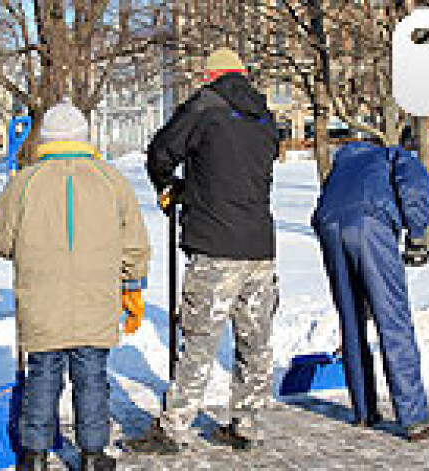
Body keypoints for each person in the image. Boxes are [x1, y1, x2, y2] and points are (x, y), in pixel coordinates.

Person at [126, 48, 280, 454]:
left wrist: (169, 185)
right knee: (254, 341)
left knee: (198, 341)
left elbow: (161, 151)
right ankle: (245, 424)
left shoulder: (205, 105)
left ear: (210, 75)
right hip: (260, 247)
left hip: (216, 246)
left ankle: (174, 427)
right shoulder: (264, 115)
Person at [0, 101, 150, 471]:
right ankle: (92, 455)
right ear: (83, 137)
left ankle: (36, 455)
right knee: (92, 378)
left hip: (42, 302)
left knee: (42, 377)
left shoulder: (25, 182)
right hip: (96, 301)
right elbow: (135, 242)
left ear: (46, 139)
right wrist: (133, 285)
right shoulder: (111, 180)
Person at [311, 141, 429, 441]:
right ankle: (414, 416)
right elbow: (415, 184)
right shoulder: (393, 155)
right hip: (369, 222)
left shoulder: (342, 165)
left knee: (351, 319)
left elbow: (326, 201)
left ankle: (364, 410)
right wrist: (416, 235)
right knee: (392, 317)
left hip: (328, 224)